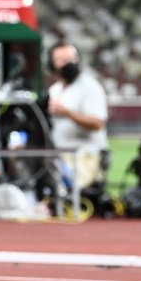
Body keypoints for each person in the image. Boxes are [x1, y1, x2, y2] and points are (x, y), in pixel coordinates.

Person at [47, 42, 108, 188]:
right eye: (62, 60)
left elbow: (97, 123)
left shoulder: (90, 86)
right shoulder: (55, 90)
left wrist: (67, 112)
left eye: (71, 58)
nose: (68, 63)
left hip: (85, 157)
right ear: (52, 64)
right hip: (61, 157)